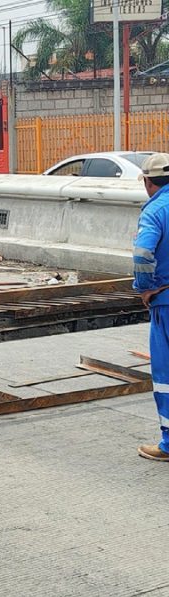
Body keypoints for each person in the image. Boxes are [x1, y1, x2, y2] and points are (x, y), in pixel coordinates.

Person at [133, 153, 169, 461]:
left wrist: (145, 289)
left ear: (148, 182)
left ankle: (168, 444)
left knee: (165, 375)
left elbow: (143, 253)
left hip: (166, 302)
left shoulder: (156, 211)